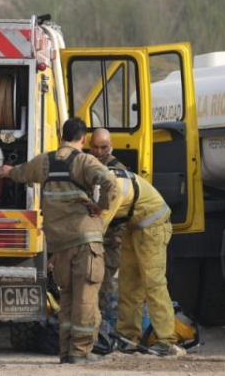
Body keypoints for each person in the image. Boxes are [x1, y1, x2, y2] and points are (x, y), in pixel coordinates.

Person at [0, 118, 118, 364]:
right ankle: (80, 352)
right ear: (83, 139)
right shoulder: (85, 161)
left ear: (62, 135)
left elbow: (21, 173)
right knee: (85, 297)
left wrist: (8, 172)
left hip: (59, 243)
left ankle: (65, 351)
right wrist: (100, 207)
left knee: (67, 298)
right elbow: (111, 183)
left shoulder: (45, 161)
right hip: (85, 240)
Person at [105, 168, 186, 357]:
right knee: (128, 285)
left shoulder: (114, 186)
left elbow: (100, 223)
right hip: (134, 228)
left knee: (154, 284)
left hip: (153, 228)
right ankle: (128, 338)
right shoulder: (103, 179)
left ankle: (166, 341)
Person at [89, 128, 127, 319]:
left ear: (110, 146)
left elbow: (126, 206)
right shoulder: (85, 167)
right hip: (91, 235)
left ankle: (107, 325)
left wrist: (120, 234)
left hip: (110, 237)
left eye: (103, 147)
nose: (99, 151)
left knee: (106, 284)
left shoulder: (118, 171)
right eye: (95, 147)